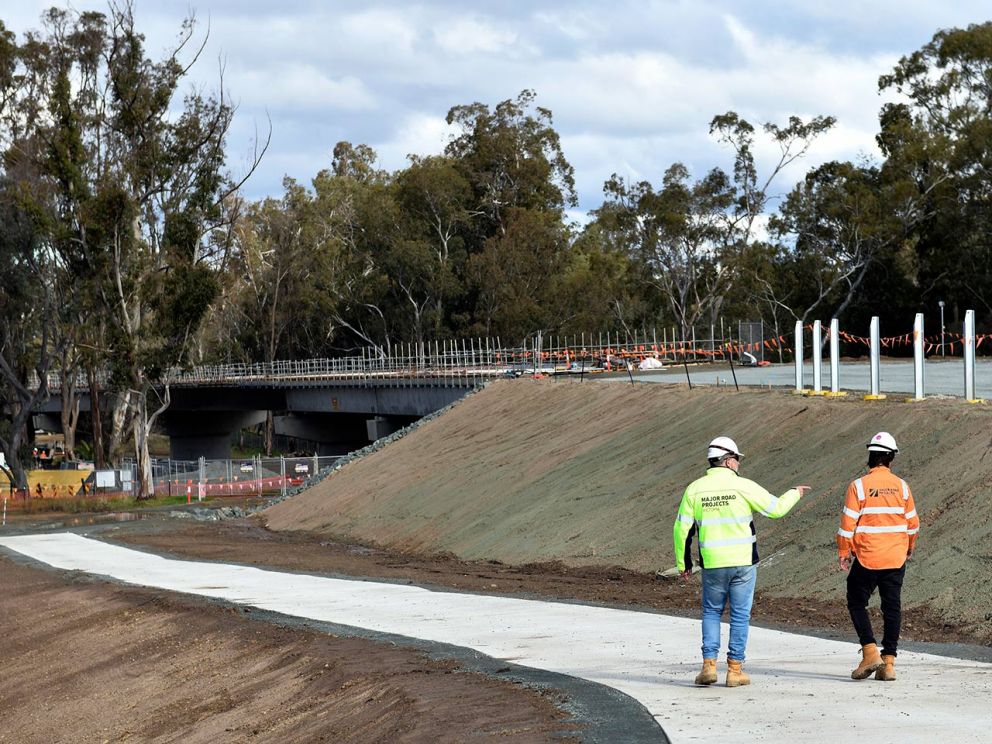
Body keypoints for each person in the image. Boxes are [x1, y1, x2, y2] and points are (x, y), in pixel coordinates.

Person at [674, 437, 809, 687]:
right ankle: (735, 670)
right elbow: (776, 509)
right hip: (744, 562)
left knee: (712, 612)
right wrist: (795, 493)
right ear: (727, 460)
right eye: (737, 459)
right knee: (739, 615)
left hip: (713, 563)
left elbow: (682, 529)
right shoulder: (743, 486)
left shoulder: (695, 489)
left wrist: (684, 565)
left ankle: (709, 666)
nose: (739, 464)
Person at [837, 431, 919, 682]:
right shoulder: (902, 487)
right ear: (891, 458)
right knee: (892, 606)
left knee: (856, 600)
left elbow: (847, 524)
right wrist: (908, 547)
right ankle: (889, 664)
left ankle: (870, 651)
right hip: (896, 557)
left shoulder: (859, 486)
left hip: (868, 556)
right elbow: (913, 524)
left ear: (870, 457)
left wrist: (843, 551)